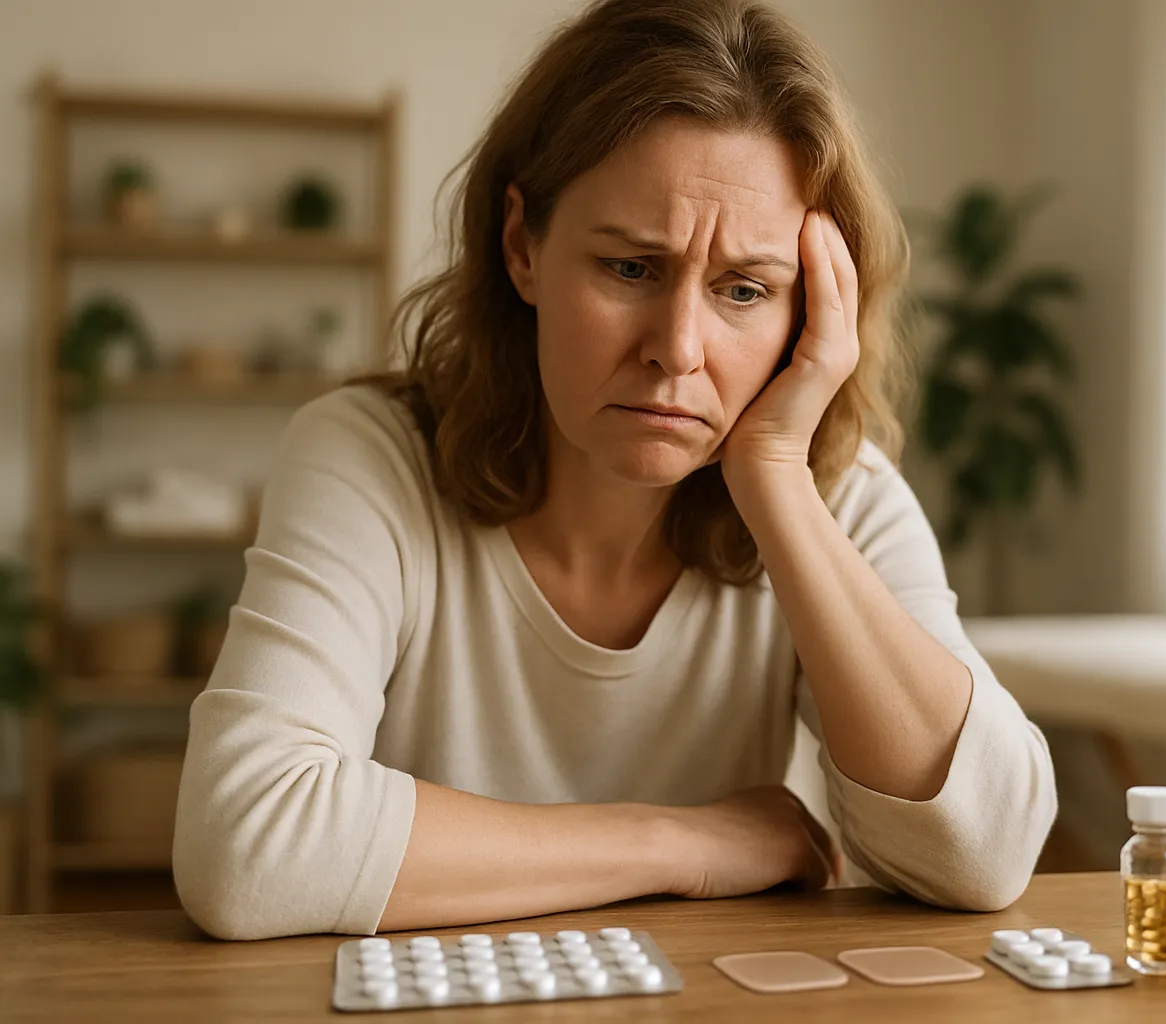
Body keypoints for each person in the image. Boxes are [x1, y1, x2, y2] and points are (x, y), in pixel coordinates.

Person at [172, 0, 1057, 941]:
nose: (678, 349)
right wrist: (685, 845)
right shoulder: (369, 455)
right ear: (523, 245)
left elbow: (989, 851)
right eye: (632, 268)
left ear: (808, 314)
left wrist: (776, 486)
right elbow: (246, 847)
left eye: (744, 289)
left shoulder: (836, 495)